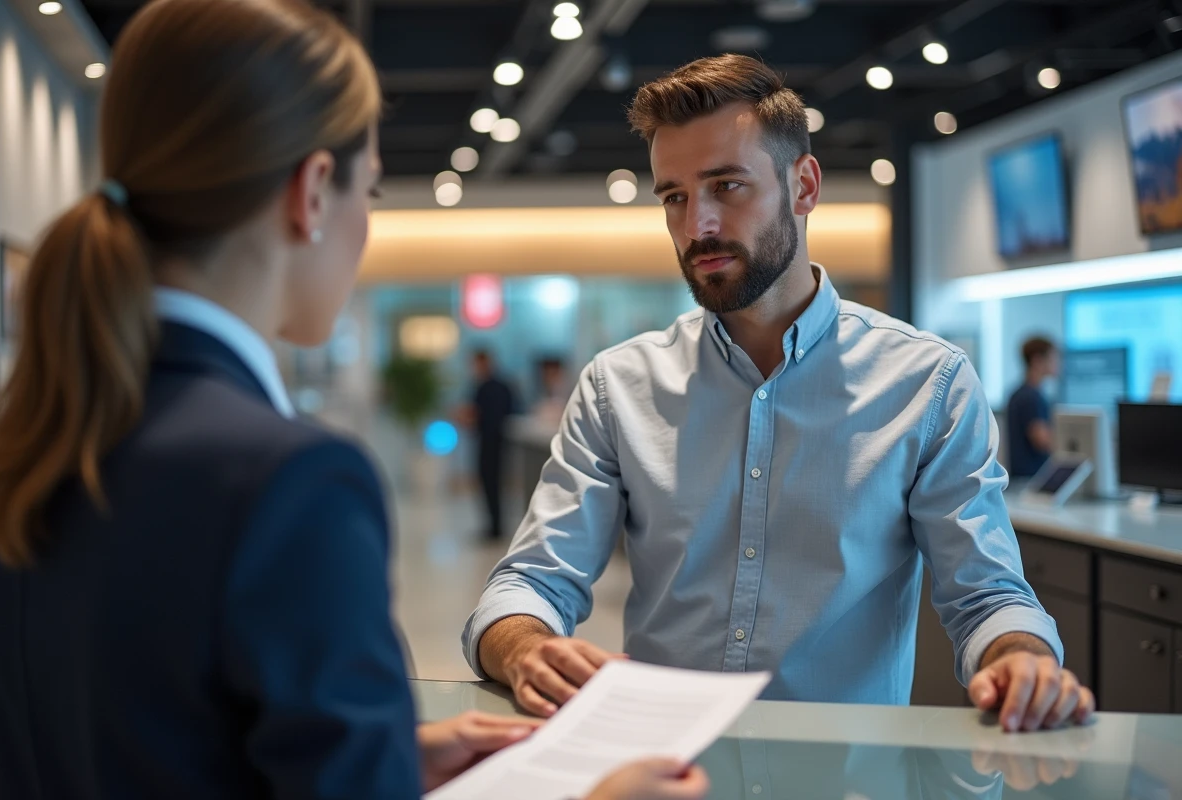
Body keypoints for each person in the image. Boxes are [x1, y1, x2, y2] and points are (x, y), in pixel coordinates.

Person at [0, 1, 706, 798]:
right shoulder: (286, 482)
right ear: (314, 192)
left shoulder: (26, 448)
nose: (365, 225)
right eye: (371, 192)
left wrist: (387, 763)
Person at [463, 55, 1095, 734]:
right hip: (666, 768)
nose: (696, 224)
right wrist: (525, 647)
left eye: (727, 186)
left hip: (846, 777)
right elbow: (529, 582)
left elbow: (988, 596)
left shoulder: (926, 384)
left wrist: (1021, 658)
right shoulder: (619, 387)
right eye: (673, 196)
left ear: (804, 185)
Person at [465, 350, 517, 540]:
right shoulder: (502, 386)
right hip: (499, 442)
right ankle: (495, 525)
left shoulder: (486, 387)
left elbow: (477, 415)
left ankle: (495, 526)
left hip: (491, 442)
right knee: (493, 484)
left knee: (491, 484)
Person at [1006, 337, 1059, 478]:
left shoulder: (1019, 393)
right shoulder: (1031, 397)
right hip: (1030, 478)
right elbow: (1041, 440)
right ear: (1037, 360)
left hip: (1021, 476)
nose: (1057, 364)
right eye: (1053, 358)